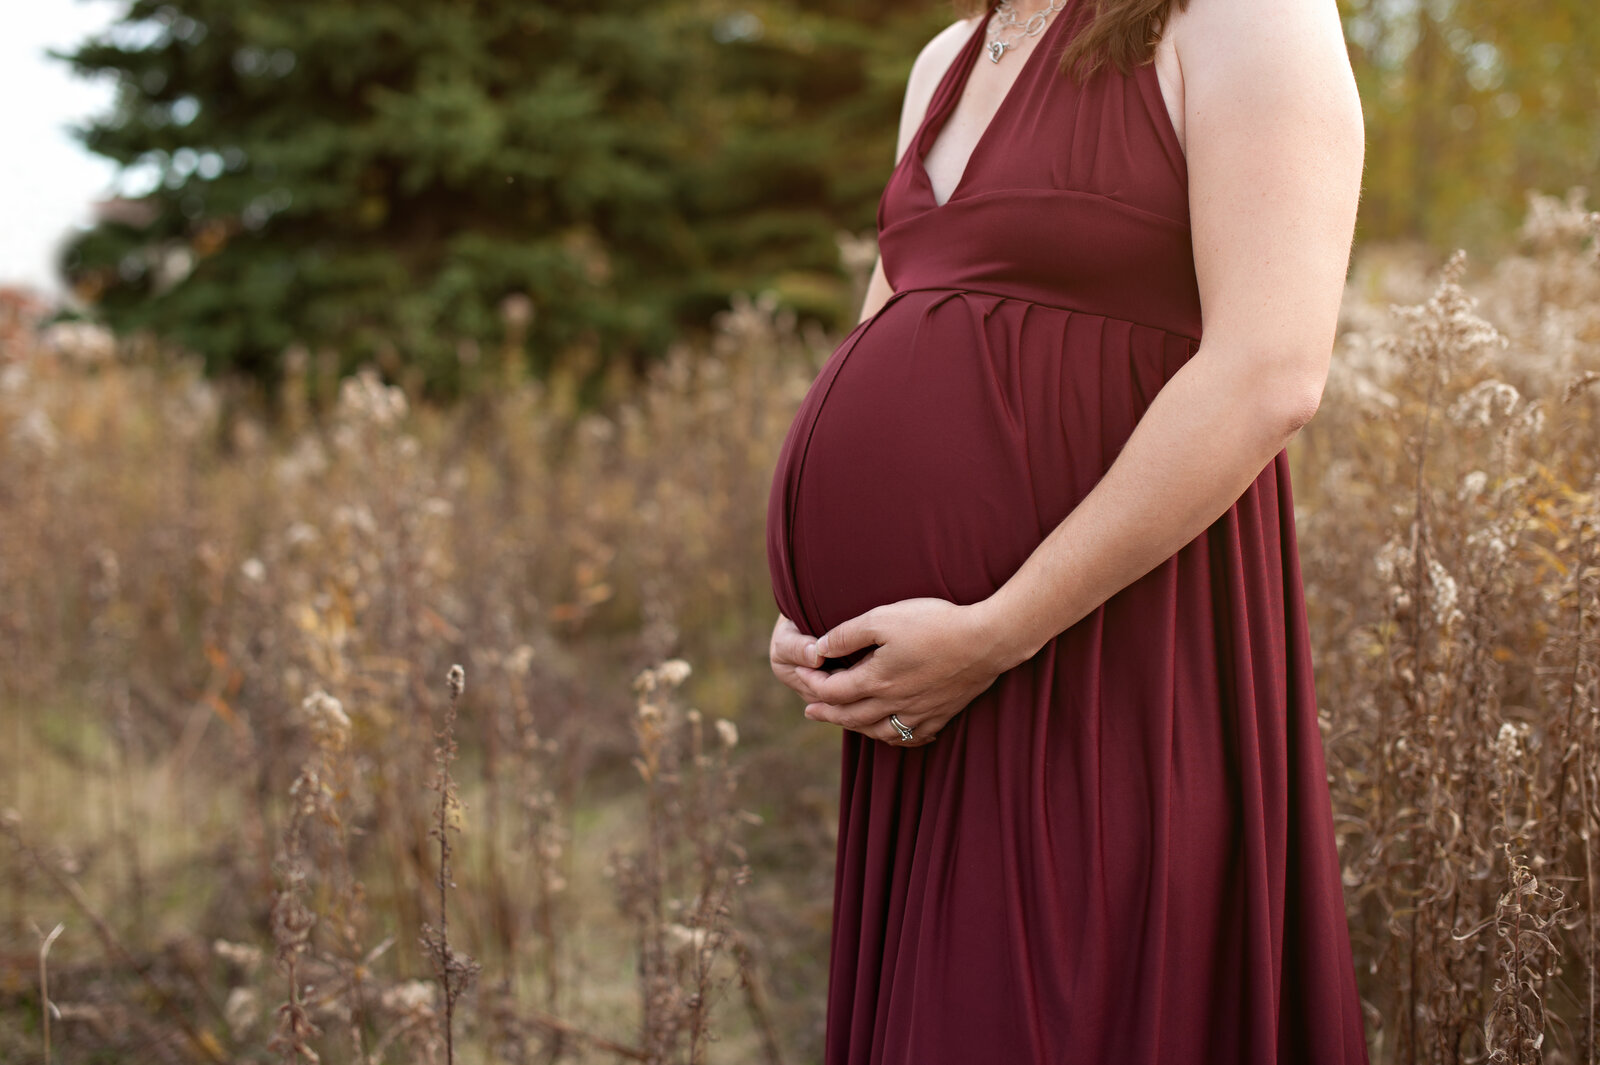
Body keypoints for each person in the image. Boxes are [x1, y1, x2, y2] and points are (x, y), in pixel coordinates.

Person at [765, 0, 1367, 1061]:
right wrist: (809, 598)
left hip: (1103, 646)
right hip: (925, 688)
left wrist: (1000, 629)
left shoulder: (1244, 17)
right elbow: (895, 318)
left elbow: (1269, 368)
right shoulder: (947, 58)